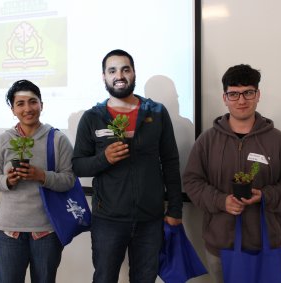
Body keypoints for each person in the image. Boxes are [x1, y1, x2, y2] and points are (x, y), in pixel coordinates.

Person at [183, 64, 281, 283]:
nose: (241, 100)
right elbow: (192, 181)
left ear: (258, 95)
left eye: (248, 92)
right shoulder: (207, 140)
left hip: (265, 244)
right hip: (220, 246)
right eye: (234, 94)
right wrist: (222, 201)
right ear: (225, 97)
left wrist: (265, 196)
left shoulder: (277, 140)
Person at [72, 49, 183, 283]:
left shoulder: (157, 113)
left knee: (144, 279)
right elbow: (78, 166)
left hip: (150, 219)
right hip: (108, 220)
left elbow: (171, 162)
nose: (119, 75)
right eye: (112, 70)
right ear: (104, 76)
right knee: (104, 278)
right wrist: (104, 158)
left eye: (125, 69)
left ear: (133, 73)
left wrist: (175, 209)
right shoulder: (92, 117)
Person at [0, 79, 76, 283]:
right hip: (9, 230)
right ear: (13, 109)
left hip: (47, 231)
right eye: (20, 103)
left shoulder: (57, 139)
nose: (28, 108)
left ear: (41, 105)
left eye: (33, 102)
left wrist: (41, 176)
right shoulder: (3, 140)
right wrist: (7, 181)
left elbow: (69, 180)